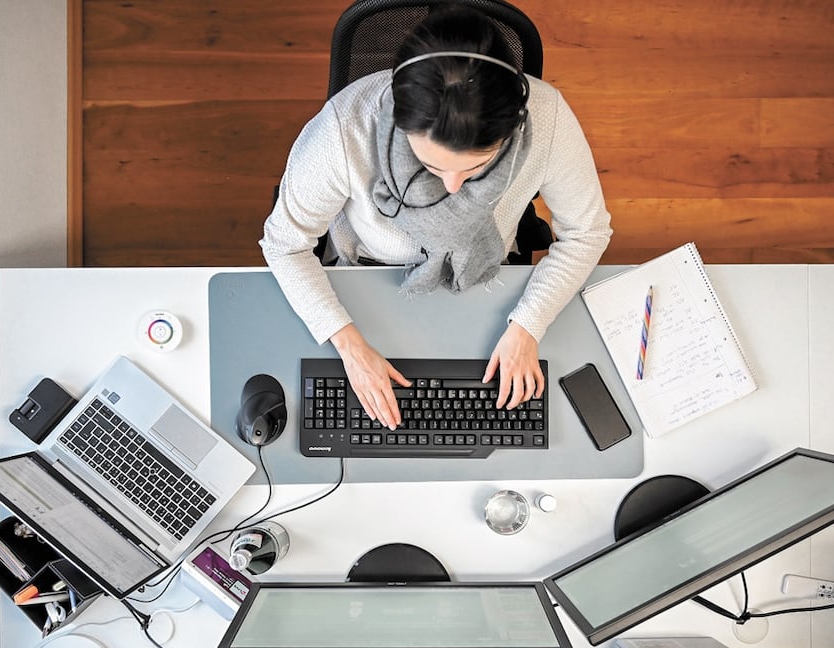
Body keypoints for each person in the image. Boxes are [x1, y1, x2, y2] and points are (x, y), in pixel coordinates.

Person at [260, 5, 611, 430]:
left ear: (513, 128)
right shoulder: (343, 129)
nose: (452, 189)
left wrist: (529, 325)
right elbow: (285, 243)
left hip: (489, 275)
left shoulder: (548, 117)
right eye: (431, 167)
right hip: (368, 275)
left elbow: (587, 233)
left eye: (477, 169)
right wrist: (349, 346)